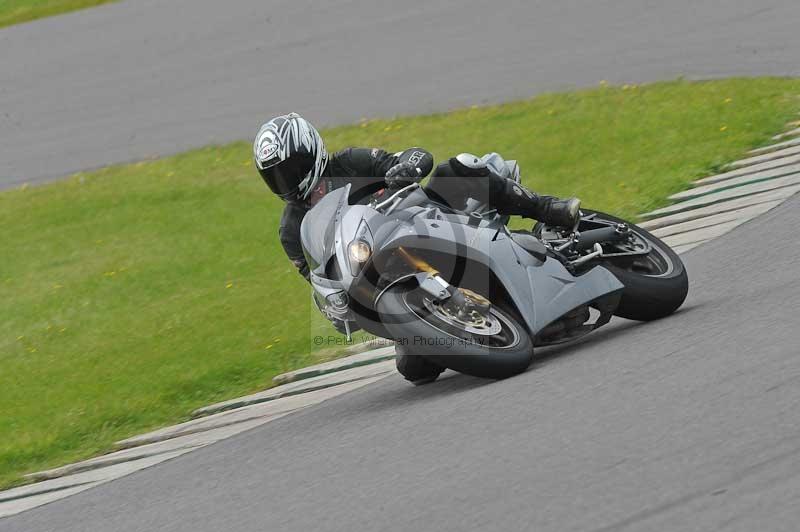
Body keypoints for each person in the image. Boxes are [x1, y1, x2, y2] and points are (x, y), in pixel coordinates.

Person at [254, 112, 581, 280]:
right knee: (415, 370)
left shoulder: (350, 162)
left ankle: (549, 209)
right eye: (275, 176)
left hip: (429, 219)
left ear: (310, 152)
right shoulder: (291, 231)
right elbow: (320, 283)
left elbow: (414, 155)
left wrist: (403, 169)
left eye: (291, 168)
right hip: (386, 276)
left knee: (459, 167)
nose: (287, 181)